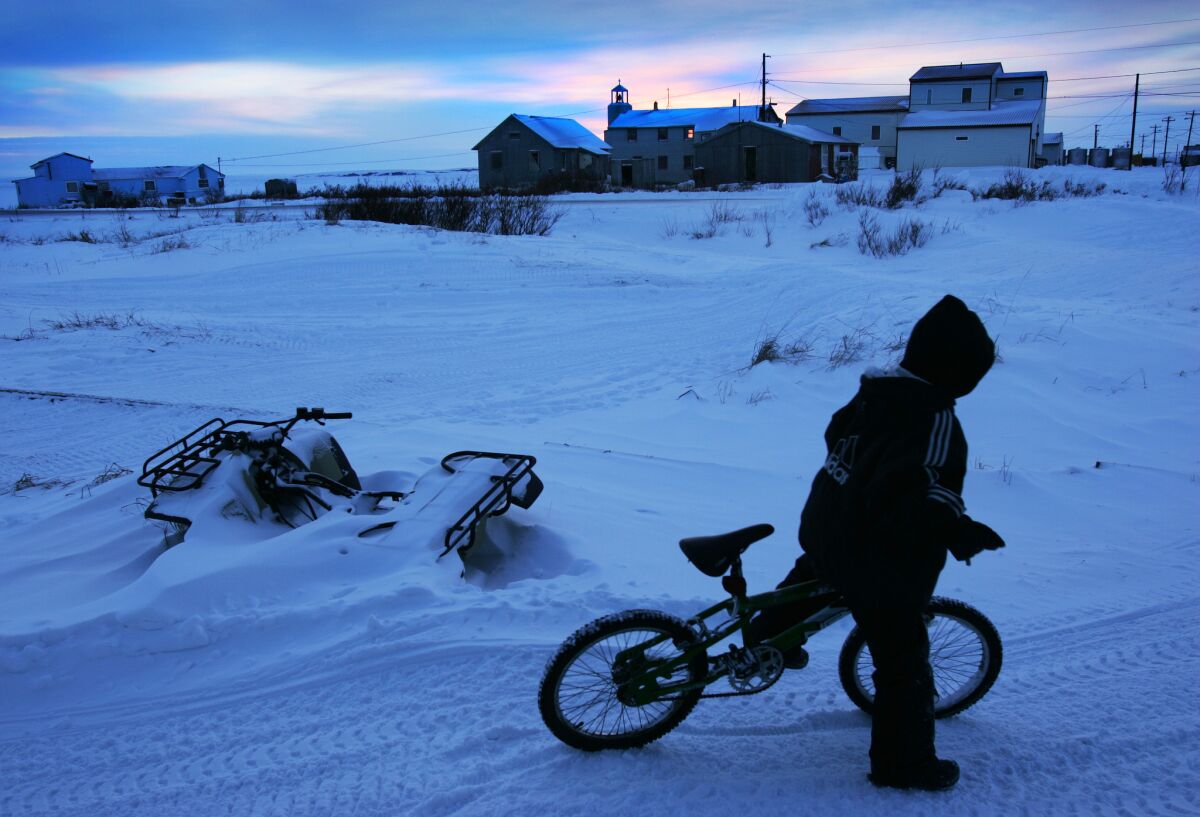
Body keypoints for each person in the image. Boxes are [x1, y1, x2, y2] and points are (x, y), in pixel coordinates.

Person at [798, 294, 1006, 791]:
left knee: (818, 572)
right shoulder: (933, 415)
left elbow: (835, 433)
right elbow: (926, 484)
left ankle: (769, 638)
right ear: (955, 371)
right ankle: (905, 766)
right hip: (878, 556)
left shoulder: (876, 390)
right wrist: (955, 526)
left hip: (827, 520)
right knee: (902, 659)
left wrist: (858, 483)